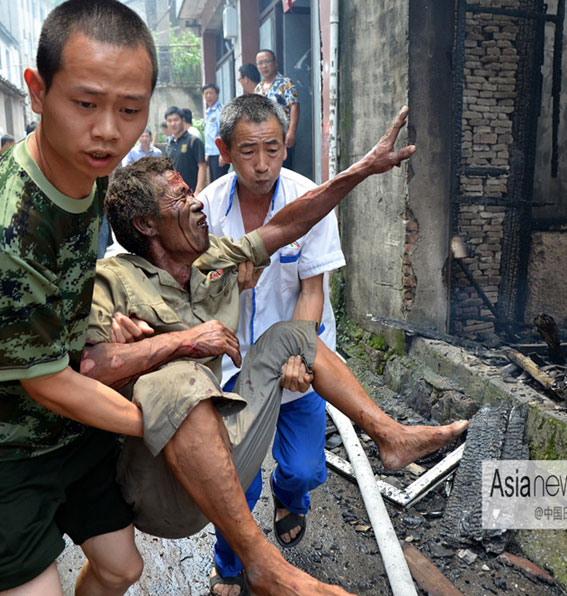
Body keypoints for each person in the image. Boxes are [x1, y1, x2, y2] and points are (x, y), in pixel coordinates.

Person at [81, 109, 468, 596]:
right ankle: (262, 565)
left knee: (292, 336)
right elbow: (90, 368)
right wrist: (178, 342)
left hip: (223, 440)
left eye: (190, 190)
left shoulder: (212, 256)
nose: (196, 202)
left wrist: (363, 169)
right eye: (180, 197)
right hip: (162, 485)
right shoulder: (113, 280)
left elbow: (289, 224)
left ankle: (389, 436)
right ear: (146, 225)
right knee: (175, 379)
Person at [0, 1, 157, 594]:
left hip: (54, 431)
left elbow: (59, 289)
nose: (108, 130)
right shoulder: (1, 220)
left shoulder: (87, 178)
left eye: (130, 109)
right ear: (37, 92)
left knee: (122, 569)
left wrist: (95, 324)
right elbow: (43, 381)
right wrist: (158, 420)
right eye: (86, 103)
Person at [199, 92, 342, 590]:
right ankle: (230, 562)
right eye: (248, 151)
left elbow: (312, 288)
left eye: (273, 149)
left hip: (295, 357)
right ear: (224, 148)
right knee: (236, 478)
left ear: (286, 146)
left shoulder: (310, 199)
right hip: (233, 363)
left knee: (303, 469)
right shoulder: (206, 212)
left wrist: (301, 353)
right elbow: (191, 293)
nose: (262, 165)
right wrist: (227, 287)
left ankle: (290, 496)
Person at [255, 50, 298, 168]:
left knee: (284, 168)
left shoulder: (286, 83)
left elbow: (294, 106)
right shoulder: (259, 88)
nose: (264, 66)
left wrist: (292, 131)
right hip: (264, 137)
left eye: (267, 62)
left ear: (275, 63)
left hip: (283, 135)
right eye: (260, 63)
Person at [164, 105, 206, 193]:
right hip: (177, 194)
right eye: (169, 121)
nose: (173, 124)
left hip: (193, 192)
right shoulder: (170, 145)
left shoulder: (193, 141)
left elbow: (202, 166)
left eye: (176, 120)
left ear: (183, 120)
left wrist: (198, 190)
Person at [202, 83, 228, 182]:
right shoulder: (209, 112)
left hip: (219, 153)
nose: (208, 96)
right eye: (206, 93)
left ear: (217, 94)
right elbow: (209, 135)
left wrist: (223, 154)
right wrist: (207, 153)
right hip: (212, 153)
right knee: (213, 183)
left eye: (211, 93)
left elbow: (224, 132)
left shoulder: (220, 110)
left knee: (220, 182)